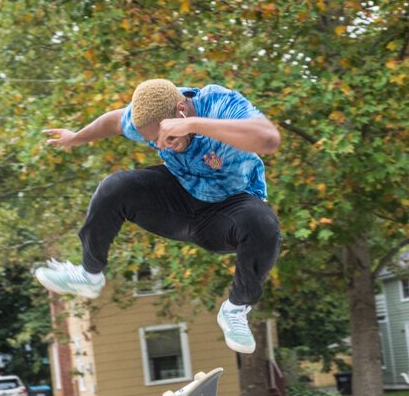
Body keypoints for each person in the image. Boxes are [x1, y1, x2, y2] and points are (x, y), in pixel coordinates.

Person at [36, 79, 282, 353]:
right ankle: (89, 275)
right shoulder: (144, 118)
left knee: (264, 225)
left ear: (181, 111)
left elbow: (269, 139)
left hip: (228, 212)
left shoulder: (218, 103)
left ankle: (236, 310)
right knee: (113, 188)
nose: (163, 147)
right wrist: (76, 137)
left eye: (168, 138)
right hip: (177, 200)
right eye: (153, 142)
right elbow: (113, 121)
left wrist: (195, 125)